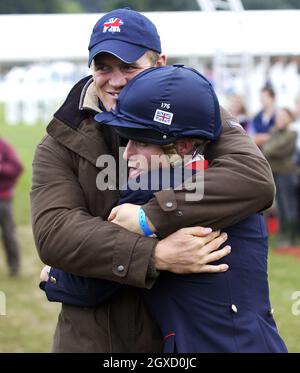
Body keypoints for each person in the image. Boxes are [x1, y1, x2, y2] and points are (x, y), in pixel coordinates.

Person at [31, 8, 275, 353]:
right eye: (103, 68)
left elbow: (252, 178)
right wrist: (156, 253)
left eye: (129, 66)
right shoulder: (61, 137)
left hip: (177, 335)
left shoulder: (190, 111)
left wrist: (149, 217)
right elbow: (56, 232)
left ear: (160, 62)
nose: (115, 80)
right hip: (94, 340)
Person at [262, 108, 298, 246]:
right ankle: (283, 236)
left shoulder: (292, 134)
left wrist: (269, 146)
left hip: (286, 174)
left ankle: (291, 236)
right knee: (280, 207)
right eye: (278, 116)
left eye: (283, 116)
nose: (280, 119)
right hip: (275, 173)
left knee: (288, 206)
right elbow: (269, 149)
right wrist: (269, 147)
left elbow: (271, 149)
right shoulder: (273, 131)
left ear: (289, 118)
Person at [0, 136, 23, 276]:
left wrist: (1, 168)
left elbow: (17, 167)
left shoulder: (3, 146)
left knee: (8, 233)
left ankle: (14, 267)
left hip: (3, 199)